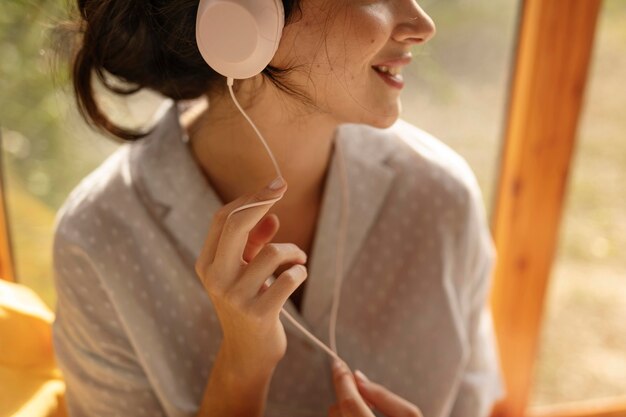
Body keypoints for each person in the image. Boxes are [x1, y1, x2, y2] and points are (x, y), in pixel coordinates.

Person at [51, 0, 506, 416]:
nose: (423, 25)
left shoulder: (442, 197)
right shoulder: (98, 241)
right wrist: (241, 369)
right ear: (245, 12)